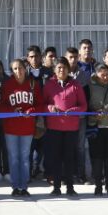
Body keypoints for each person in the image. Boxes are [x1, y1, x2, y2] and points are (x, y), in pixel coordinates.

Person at [0, 58, 43, 197]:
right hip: (10, 128)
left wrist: (32, 111)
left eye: (20, 68)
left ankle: (24, 186)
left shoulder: (33, 84)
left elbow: (40, 104)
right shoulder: (7, 85)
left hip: (27, 127)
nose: (18, 71)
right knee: (14, 157)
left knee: (25, 157)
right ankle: (16, 186)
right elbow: (0, 106)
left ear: (25, 68)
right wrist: (12, 111)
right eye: (14, 68)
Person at [42, 60, 84, 195]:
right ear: (54, 70)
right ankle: (56, 187)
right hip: (54, 127)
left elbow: (83, 106)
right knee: (56, 158)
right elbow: (41, 105)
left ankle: (70, 187)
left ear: (68, 69)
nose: (62, 70)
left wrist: (74, 110)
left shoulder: (76, 85)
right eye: (59, 68)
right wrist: (50, 107)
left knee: (69, 158)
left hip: (71, 128)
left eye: (64, 68)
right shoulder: (49, 85)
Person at [85, 64, 108, 196]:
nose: (106, 77)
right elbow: (85, 105)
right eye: (102, 74)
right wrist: (93, 112)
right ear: (96, 74)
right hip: (96, 126)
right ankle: (98, 185)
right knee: (96, 157)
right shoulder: (89, 86)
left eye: (107, 74)